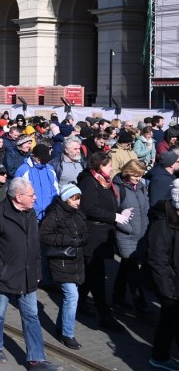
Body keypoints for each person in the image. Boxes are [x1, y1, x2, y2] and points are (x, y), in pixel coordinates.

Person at [0, 177, 63, 371]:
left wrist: (36, 269)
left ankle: (36, 359)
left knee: (31, 316)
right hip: (5, 275)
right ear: (18, 197)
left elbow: (34, 245)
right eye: (31, 195)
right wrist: (1, 270)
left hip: (28, 275)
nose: (35, 198)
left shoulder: (30, 213)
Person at [78, 151, 131, 330]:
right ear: (100, 166)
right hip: (93, 234)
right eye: (109, 165)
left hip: (102, 232)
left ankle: (79, 302)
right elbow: (89, 207)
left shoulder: (104, 181)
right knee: (97, 275)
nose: (111, 168)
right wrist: (114, 216)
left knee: (90, 274)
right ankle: (105, 316)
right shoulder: (89, 181)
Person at [39, 183, 87, 350]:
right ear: (66, 199)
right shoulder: (54, 214)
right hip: (61, 261)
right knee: (72, 296)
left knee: (70, 297)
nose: (77, 202)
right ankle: (67, 334)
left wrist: (82, 239)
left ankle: (60, 327)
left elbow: (84, 232)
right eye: (74, 199)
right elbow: (44, 235)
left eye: (79, 198)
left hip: (76, 260)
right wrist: (67, 241)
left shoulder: (78, 213)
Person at [146, 184, 179, 370]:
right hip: (171, 287)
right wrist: (168, 291)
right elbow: (157, 260)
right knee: (172, 320)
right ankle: (159, 357)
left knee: (167, 322)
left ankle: (159, 356)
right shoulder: (162, 224)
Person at [111, 159, 151, 314]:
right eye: (136, 175)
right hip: (126, 236)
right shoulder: (118, 188)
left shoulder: (140, 186)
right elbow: (114, 213)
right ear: (128, 172)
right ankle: (141, 305)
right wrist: (128, 229)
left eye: (140, 175)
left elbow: (145, 208)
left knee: (125, 268)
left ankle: (117, 297)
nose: (138, 178)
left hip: (140, 235)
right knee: (134, 272)